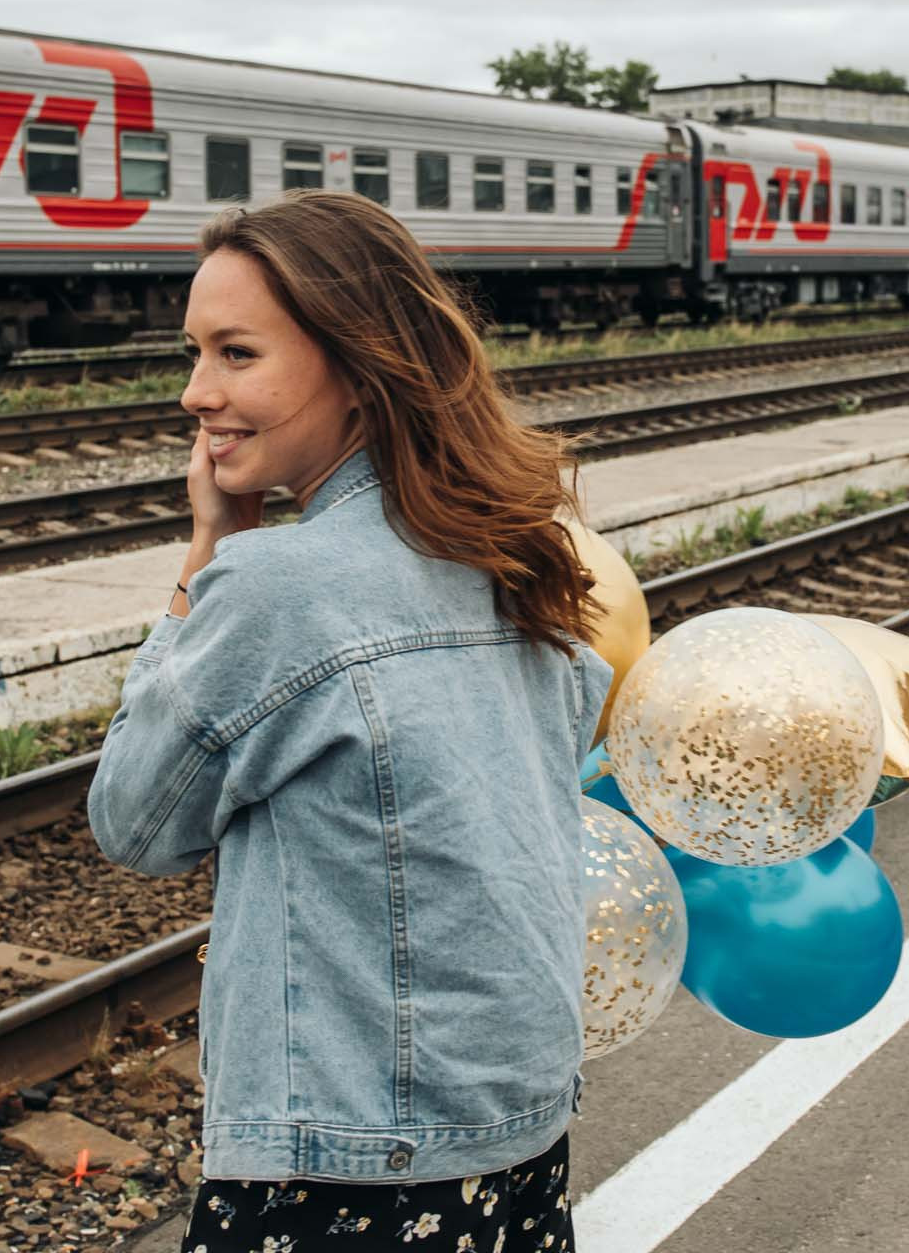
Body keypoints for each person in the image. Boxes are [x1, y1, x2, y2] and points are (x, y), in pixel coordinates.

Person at [88, 191, 609, 1251]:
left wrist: (207, 553)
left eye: (237, 353)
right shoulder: (507, 553)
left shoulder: (278, 589)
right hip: (516, 1142)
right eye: (194, 354)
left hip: (351, 1170)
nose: (196, 393)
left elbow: (135, 822)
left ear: (360, 363)